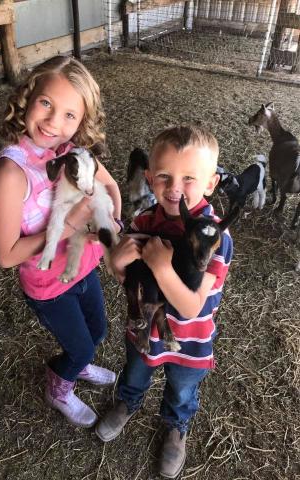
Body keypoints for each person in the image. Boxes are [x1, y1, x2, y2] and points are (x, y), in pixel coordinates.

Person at [0, 56, 123, 429]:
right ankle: (58, 386)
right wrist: (71, 225)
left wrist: (112, 219)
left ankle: (77, 364)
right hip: (49, 287)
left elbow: (110, 185)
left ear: (81, 123)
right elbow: (5, 255)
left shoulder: (71, 151)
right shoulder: (12, 172)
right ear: (27, 97)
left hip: (83, 267)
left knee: (98, 331)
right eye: (46, 103)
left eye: (70, 115)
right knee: (80, 345)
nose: (53, 122)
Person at [95, 125, 233, 478]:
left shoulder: (215, 236)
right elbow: (130, 281)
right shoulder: (142, 221)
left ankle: (175, 426)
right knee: (135, 370)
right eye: (164, 177)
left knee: (182, 387)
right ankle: (128, 401)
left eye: (189, 178)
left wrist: (161, 266)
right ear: (149, 177)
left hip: (190, 338)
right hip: (144, 327)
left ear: (210, 183)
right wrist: (115, 262)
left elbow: (191, 307)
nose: (174, 188)